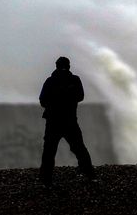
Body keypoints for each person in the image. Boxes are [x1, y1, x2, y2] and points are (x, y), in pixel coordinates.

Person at [39, 56, 96, 187]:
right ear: (69, 66)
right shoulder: (74, 80)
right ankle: (89, 174)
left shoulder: (51, 81)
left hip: (54, 122)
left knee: (49, 151)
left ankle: (46, 179)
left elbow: (43, 100)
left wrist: (55, 102)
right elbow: (80, 97)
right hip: (69, 121)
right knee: (79, 149)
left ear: (56, 66)